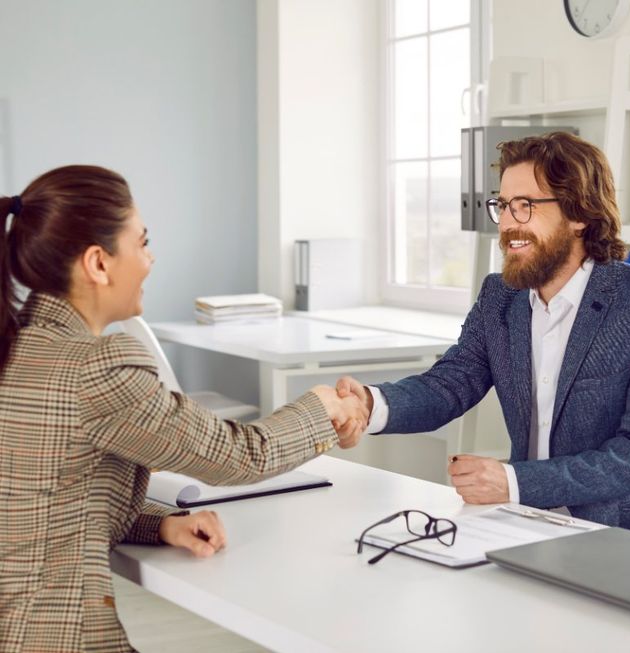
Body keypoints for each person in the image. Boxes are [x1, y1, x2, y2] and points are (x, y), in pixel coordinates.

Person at [0, 165, 367, 653]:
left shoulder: (21, 348)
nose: (150, 259)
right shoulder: (95, 368)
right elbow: (239, 457)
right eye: (141, 243)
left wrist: (159, 522)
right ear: (98, 263)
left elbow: (48, 498)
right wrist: (322, 408)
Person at [337, 131, 630, 533]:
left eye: (525, 206)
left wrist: (513, 483)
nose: (506, 223)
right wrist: (369, 405)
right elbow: (450, 384)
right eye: (502, 206)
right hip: (524, 524)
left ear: (580, 214)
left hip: (619, 538)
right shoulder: (500, 296)